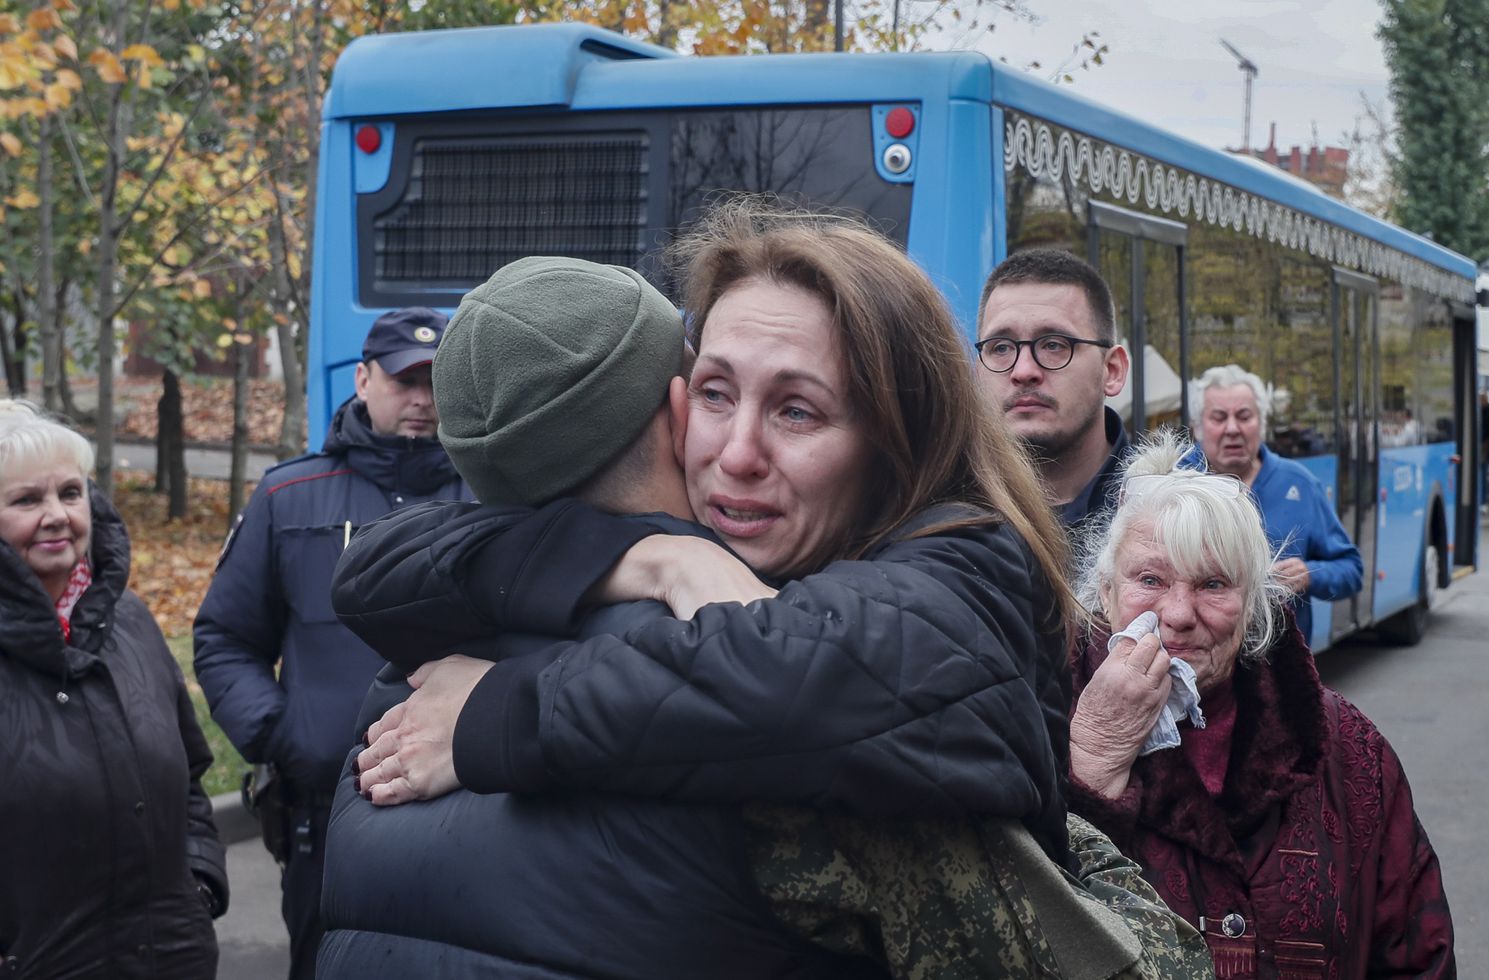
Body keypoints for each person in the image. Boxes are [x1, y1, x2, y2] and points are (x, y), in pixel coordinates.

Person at [327, 211, 1207, 976]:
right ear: (675, 407)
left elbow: (842, 663)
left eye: (797, 410)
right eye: (716, 394)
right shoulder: (640, 598)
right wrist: (647, 558)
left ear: (895, 438)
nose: (737, 451)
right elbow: (371, 566)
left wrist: (495, 716)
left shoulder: (945, 582)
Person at [1067, 432, 1455, 978]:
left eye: (1213, 583)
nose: (1178, 613)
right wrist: (1091, 763)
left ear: (1252, 606)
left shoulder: (1350, 749)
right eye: (1150, 578)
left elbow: (1416, 954)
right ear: (1105, 593)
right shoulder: (1040, 721)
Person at [192, 307, 472, 980]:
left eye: (435, 383)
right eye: (405, 381)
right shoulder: (290, 495)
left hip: (462, 804)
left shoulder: (489, 497)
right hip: (326, 810)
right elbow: (225, 637)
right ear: (362, 379)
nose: (422, 401)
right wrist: (285, 736)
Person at [0, 400, 227, 978]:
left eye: (70, 493)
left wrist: (198, 887)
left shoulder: (128, 619)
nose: (56, 515)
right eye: (27, 500)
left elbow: (191, 778)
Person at [1189, 364, 1362, 643]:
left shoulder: (1299, 484)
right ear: (1198, 427)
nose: (1232, 429)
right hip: (1194, 669)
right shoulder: (1172, 485)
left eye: (1244, 416)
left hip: (1279, 673)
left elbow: (1351, 570)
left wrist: (1310, 574)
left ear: (1262, 423)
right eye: (1219, 417)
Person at [973, 248, 1130, 533]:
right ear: (977, 371)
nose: (1023, 371)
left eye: (1054, 345)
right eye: (1001, 348)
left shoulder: (1178, 520)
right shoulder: (934, 518)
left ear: (1112, 371)